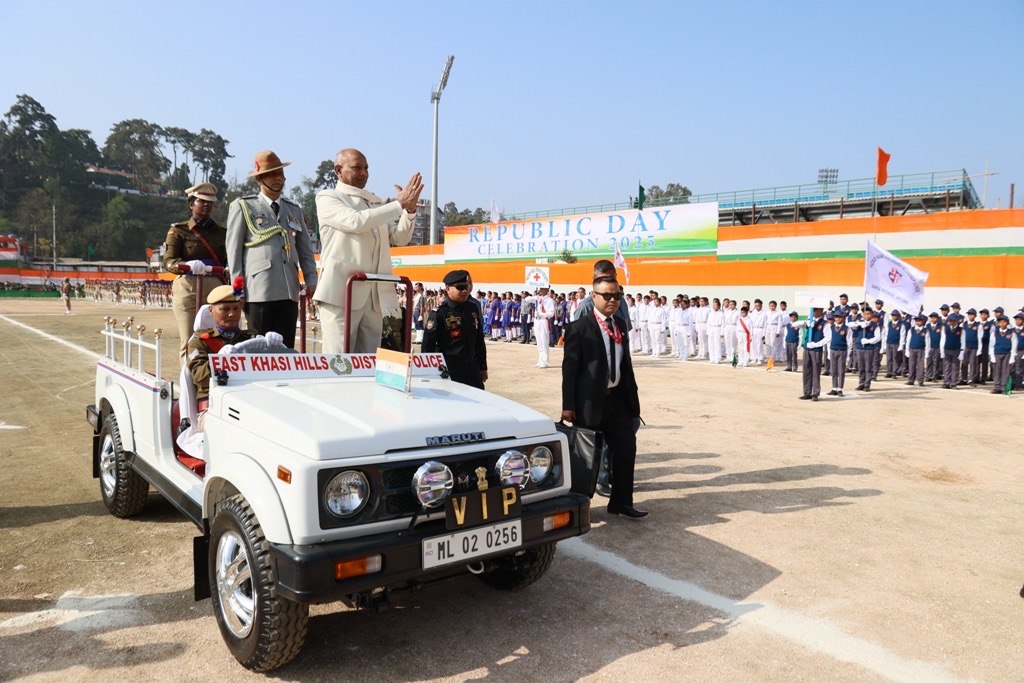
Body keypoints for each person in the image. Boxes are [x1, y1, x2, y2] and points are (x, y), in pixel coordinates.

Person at [312, 148, 421, 353]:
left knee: (370, 366)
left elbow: (399, 237)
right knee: (339, 365)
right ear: (338, 170)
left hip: (375, 297)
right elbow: (355, 222)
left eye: (366, 168)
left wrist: (410, 211)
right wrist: (398, 205)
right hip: (341, 295)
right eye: (356, 168)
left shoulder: (374, 202)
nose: (363, 173)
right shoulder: (328, 197)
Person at [561, 276, 645, 518]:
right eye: (606, 295)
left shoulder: (619, 323)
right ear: (594, 296)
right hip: (589, 404)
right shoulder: (579, 328)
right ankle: (579, 507)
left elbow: (625, 363)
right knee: (586, 460)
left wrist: (632, 399)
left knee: (626, 450)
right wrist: (568, 405)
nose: (612, 300)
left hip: (617, 400)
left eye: (616, 295)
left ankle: (621, 503)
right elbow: (570, 369)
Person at [227, 150, 318, 348]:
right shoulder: (244, 206)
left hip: (289, 290)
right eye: (272, 174)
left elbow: (305, 250)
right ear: (259, 178)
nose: (278, 178)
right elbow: (233, 251)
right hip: (259, 290)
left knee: (285, 349)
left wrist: (311, 278)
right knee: (257, 348)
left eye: (281, 174)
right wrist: (238, 290)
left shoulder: (294, 209)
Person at [164, 182, 229, 360]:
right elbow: (168, 262)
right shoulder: (179, 231)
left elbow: (228, 260)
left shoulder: (222, 233)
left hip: (216, 289)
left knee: (217, 339)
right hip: (188, 287)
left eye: (210, 202)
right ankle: (188, 385)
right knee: (189, 340)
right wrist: (187, 265)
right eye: (202, 201)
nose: (207, 205)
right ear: (191, 204)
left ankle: (212, 383)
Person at [186, 284, 256, 431]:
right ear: (211, 310)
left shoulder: (251, 338)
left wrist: (272, 349)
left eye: (236, 309)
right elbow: (199, 377)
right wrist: (219, 361)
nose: (231, 314)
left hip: (250, 403)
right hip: (213, 407)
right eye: (224, 309)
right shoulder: (199, 341)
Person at [421, 270, 487, 389]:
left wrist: (483, 367)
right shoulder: (440, 312)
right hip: (450, 369)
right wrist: (428, 372)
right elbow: (428, 344)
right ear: (448, 289)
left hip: (472, 367)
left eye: (466, 287)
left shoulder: (472, 308)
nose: (465, 291)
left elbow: (479, 340)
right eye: (460, 287)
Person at [800, 307, 827, 400]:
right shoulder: (809, 321)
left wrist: (816, 344)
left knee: (815, 371)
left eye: (817, 310)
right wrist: (806, 322)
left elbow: (827, 338)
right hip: (807, 348)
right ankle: (807, 391)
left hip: (816, 349)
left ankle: (815, 392)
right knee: (806, 370)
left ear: (821, 311)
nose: (814, 312)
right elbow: (794, 324)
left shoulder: (824, 323)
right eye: (813, 310)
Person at [990, 315, 1017, 394]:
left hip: (1007, 354)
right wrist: (992, 356)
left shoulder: (1011, 333)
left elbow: (1014, 346)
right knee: (997, 371)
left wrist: (1012, 357)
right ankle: (997, 387)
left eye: (1004, 322)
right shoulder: (994, 333)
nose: (1002, 323)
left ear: (1007, 323)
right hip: (997, 353)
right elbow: (991, 345)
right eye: (1000, 322)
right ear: (998, 323)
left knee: (1005, 371)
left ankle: (1004, 387)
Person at [904, 314, 929, 387]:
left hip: (921, 349)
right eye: (916, 321)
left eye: (920, 321)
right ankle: (911, 380)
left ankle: (920, 380)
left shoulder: (925, 330)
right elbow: (908, 340)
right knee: (912, 365)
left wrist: (927, 352)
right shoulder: (911, 330)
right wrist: (907, 350)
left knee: (920, 365)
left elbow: (927, 342)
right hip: (912, 349)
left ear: (923, 321)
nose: (918, 322)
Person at [533, 285, 555, 368]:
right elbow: (527, 299)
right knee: (539, 341)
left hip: (544, 320)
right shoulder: (539, 299)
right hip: (537, 320)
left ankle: (545, 361)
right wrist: (535, 297)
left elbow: (551, 313)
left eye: (542, 289)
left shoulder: (549, 300)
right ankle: (540, 360)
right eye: (540, 289)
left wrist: (541, 314)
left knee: (544, 340)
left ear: (546, 290)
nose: (540, 290)